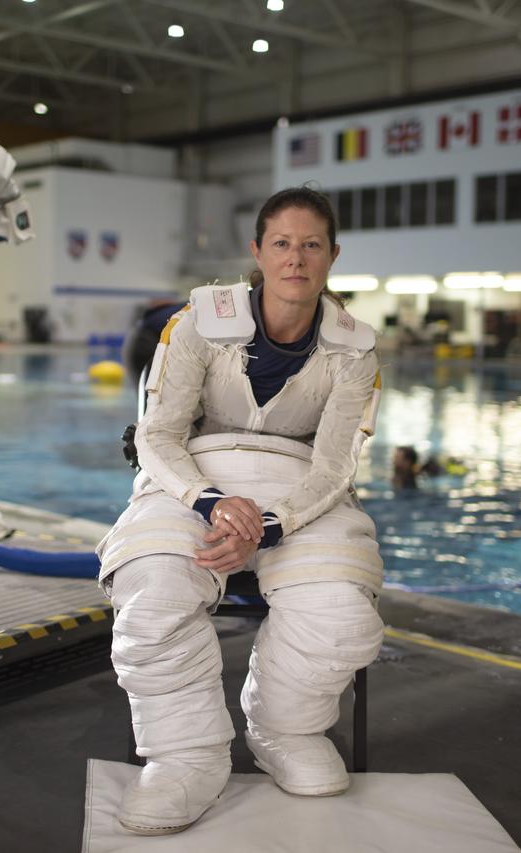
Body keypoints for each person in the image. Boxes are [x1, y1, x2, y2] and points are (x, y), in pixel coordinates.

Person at [96, 187, 384, 835]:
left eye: (312, 244)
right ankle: (185, 755)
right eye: (282, 243)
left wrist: (271, 521)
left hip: (299, 487)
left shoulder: (355, 350)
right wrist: (212, 502)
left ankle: (284, 728)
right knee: (152, 591)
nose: (296, 258)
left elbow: (336, 464)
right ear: (258, 251)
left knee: (343, 614)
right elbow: (157, 434)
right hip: (196, 476)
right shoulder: (196, 323)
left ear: (332, 256)